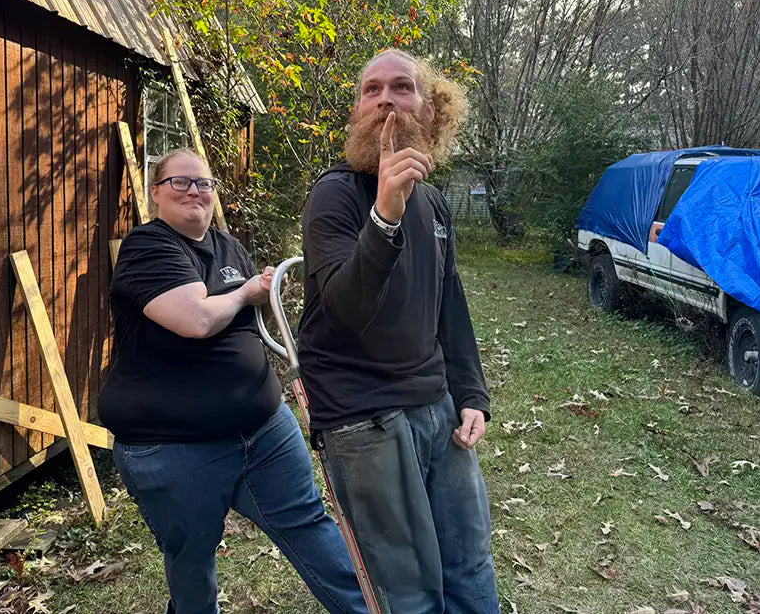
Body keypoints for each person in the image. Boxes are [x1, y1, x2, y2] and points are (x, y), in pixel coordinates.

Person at [98, 148, 367, 614]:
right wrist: (245, 291)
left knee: (310, 525)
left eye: (203, 183)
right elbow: (196, 319)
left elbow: (249, 320)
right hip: (174, 449)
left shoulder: (227, 246)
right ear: (155, 193)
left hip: (265, 431)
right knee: (193, 561)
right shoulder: (148, 247)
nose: (194, 191)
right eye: (180, 182)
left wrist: (262, 292)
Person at [298, 49, 501, 614]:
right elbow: (343, 310)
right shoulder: (335, 196)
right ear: (359, 110)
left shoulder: (435, 203)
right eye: (371, 90)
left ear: (430, 111)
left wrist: (471, 393)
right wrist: (383, 215)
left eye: (401, 87)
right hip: (362, 414)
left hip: (435, 403)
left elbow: (448, 304)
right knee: (408, 586)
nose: (385, 98)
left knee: (469, 561)